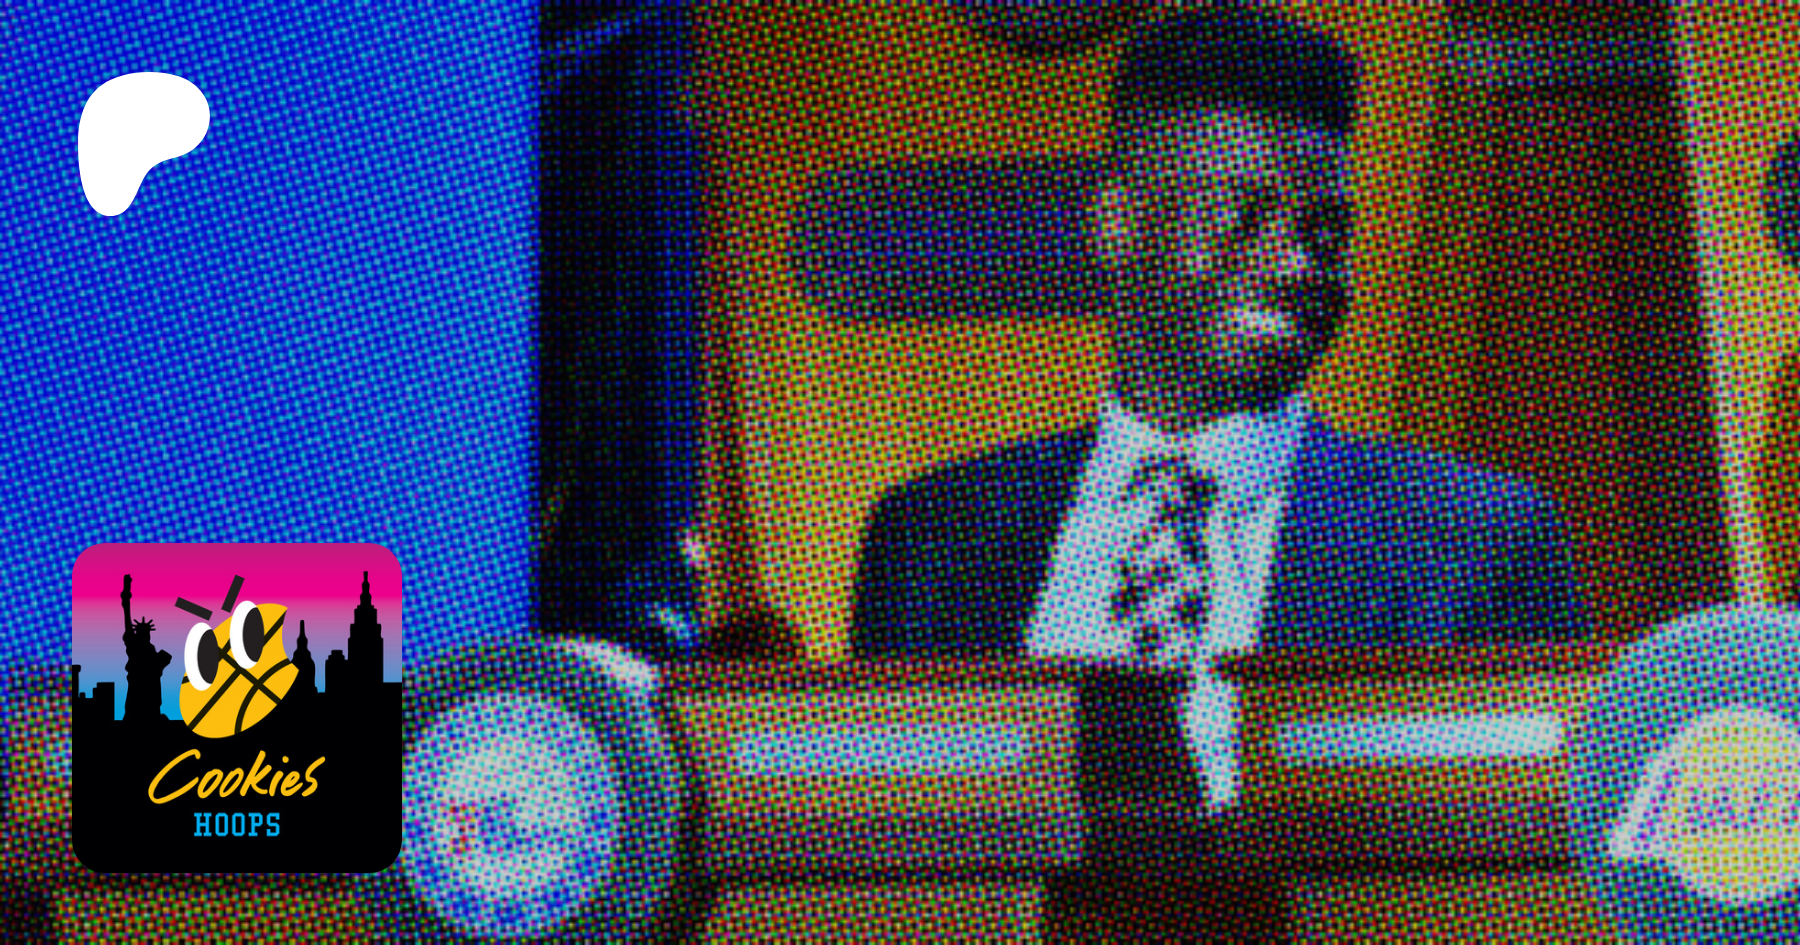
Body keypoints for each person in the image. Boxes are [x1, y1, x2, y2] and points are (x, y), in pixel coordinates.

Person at [851, 4, 1589, 665]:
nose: (1298, 264)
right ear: (1118, 224)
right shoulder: (927, 536)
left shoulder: (1475, 537)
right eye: (1243, 219)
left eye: (1326, 231)